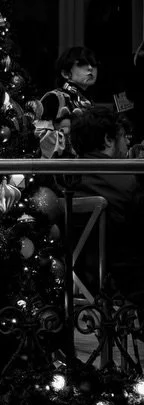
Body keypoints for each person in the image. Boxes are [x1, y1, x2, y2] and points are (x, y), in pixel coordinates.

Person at [70, 108, 144, 295]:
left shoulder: (66, 177)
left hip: (77, 278)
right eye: (124, 136)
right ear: (108, 139)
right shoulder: (126, 180)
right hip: (122, 279)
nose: (128, 142)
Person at [35, 46, 98, 159]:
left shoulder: (90, 103)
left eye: (93, 64)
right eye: (81, 64)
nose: (90, 68)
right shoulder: (53, 98)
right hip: (59, 170)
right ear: (65, 73)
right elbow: (39, 136)